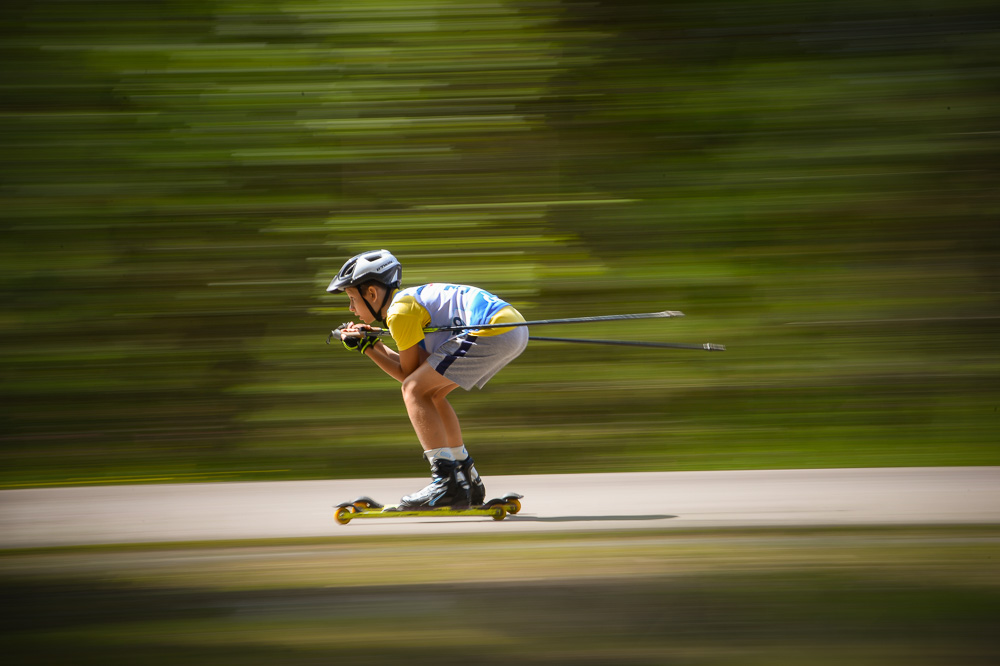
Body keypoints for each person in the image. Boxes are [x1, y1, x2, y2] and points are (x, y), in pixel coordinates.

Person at [328, 249, 528, 508]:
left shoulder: (399, 313)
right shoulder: (406, 305)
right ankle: (465, 477)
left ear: (372, 294)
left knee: (414, 390)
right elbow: (419, 370)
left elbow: (408, 376)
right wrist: (372, 343)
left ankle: (446, 483)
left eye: (352, 298)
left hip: (493, 329)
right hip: (510, 328)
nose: (351, 308)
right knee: (431, 393)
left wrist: (368, 348)